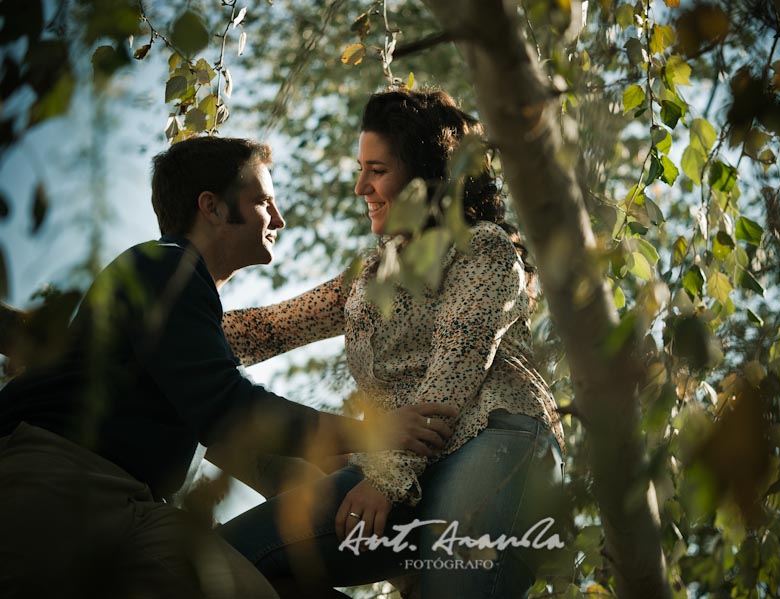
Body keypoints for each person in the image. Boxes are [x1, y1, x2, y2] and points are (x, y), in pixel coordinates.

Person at [0, 136, 456, 599]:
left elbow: (243, 391)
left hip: (139, 506)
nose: (279, 219)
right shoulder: (163, 267)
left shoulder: (188, 303)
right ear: (212, 207)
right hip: (57, 479)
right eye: (263, 201)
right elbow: (228, 409)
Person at [217, 89, 566, 598]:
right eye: (362, 169)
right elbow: (270, 328)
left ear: (427, 175)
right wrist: (166, 323)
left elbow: (457, 362)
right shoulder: (371, 273)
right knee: (227, 559)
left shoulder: (483, 246)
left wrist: (388, 477)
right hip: (405, 465)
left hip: (495, 440)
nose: (361, 186)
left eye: (376, 170)